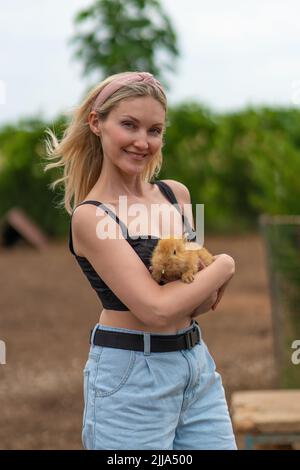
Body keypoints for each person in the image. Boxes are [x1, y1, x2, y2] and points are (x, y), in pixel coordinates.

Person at [44, 71, 237, 450]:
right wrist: (225, 266)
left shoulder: (178, 197)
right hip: (131, 377)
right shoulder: (92, 217)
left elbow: (199, 301)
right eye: (129, 125)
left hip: (196, 367)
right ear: (97, 123)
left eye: (154, 130)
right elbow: (157, 310)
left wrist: (204, 281)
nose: (142, 141)